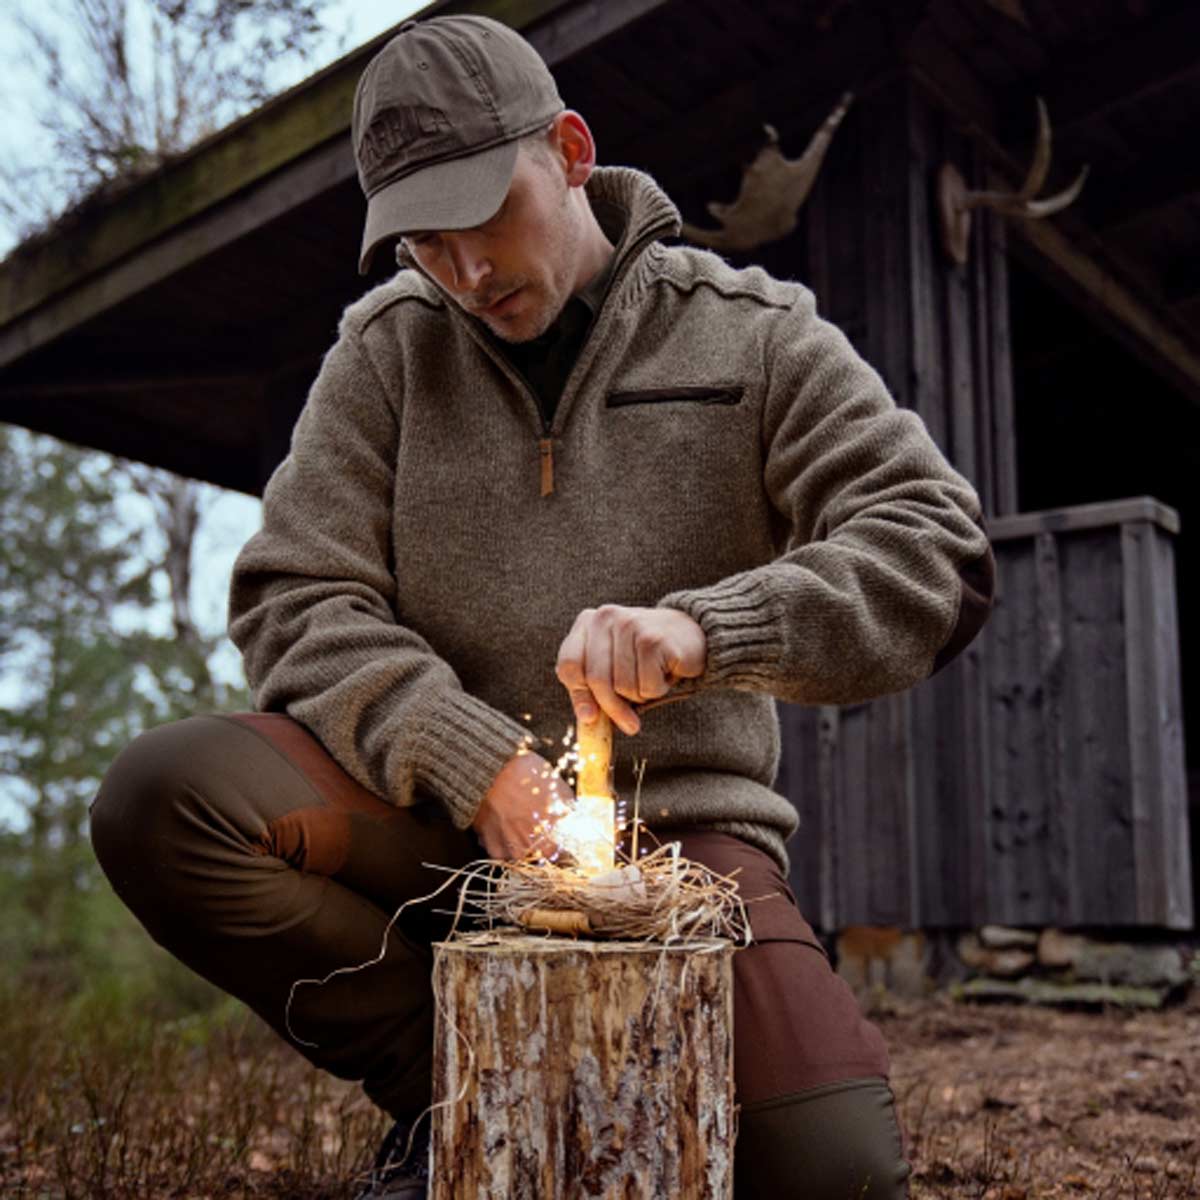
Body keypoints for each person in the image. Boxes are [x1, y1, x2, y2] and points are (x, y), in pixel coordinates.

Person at [91, 14, 995, 1199]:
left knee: (834, 1173)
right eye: (425, 242)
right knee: (165, 797)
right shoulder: (384, 353)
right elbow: (294, 596)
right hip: (441, 835)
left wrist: (707, 629)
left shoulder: (757, 335)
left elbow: (938, 549)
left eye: (484, 217)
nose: (465, 271)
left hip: (683, 857)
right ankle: (464, 1093)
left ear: (569, 149)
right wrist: (476, 763)